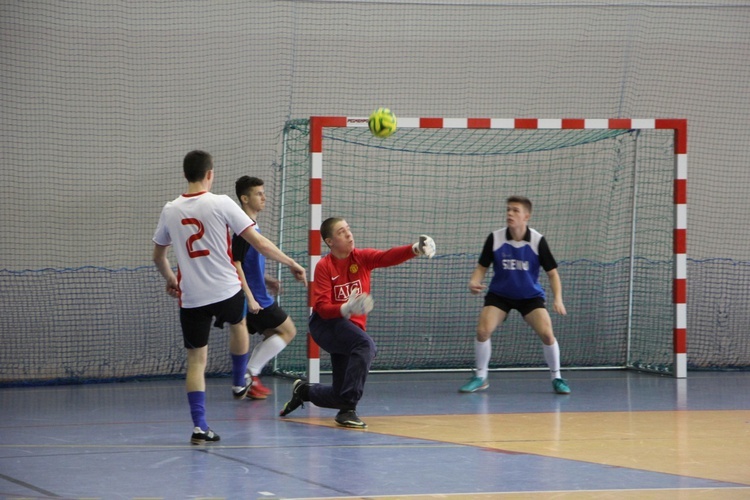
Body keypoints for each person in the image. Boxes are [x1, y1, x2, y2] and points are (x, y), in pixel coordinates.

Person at [152, 150, 307, 445]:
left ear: (186, 175)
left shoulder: (170, 209)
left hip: (192, 295)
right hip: (226, 288)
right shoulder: (221, 202)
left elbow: (158, 255)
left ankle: (199, 426)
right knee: (239, 325)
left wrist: (171, 279)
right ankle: (239, 382)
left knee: (196, 360)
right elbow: (259, 242)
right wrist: (291, 263)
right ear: (210, 173)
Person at [279, 217, 436, 428]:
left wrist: (415, 248)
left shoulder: (361, 258)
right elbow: (323, 308)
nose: (349, 234)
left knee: (338, 393)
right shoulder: (324, 266)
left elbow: (386, 257)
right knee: (365, 345)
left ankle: (304, 391)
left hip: (349, 329)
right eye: (341, 232)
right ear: (329, 242)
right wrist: (346, 308)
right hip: (325, 325)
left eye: (348, 229)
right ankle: (348, 410)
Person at [458, 195, 570, 395]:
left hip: (529, 296)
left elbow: (552, 274)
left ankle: (557, 377)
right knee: (483, 330)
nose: (510, 213)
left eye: (515, 210)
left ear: (526, 216)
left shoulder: (537, 240)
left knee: (547, 333)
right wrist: (473, 281)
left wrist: (558, 299)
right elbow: (481, 268)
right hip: (500, 295)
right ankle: (481, 377)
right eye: (508, 209)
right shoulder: (495, 238)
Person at [231, 176, 297, 400]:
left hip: (258, 291)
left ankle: (249, 375)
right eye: (259, 193)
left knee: (273, 334)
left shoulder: (251, 226)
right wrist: (250, 297)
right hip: (256, 297)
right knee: (288, 331)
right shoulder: (242, 227)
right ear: (244, 198)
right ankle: (249, 374)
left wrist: (266, 278)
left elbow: (248, 261)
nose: (264, 197)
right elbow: (235, 262)